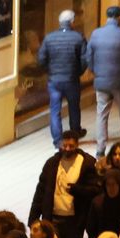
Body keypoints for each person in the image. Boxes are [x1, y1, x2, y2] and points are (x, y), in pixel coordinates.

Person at [29, 127, 101, 238]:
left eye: (71, 146)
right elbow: (41, 192)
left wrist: (77, 190)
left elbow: (95, 189)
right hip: (53, 219)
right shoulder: (51, 164)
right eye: (65, 146)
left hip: (74, 221)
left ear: (77, 146)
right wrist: (34, 218)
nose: (67, 149)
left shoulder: (86, 164)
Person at [86, 6, 120, 156]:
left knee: (101, 114)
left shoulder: (96, 34)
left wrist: (96, 72)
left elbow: (88, 56)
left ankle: (100, 147)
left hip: (101, 82)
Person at [38, 10, 89, 149]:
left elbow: (41, 59)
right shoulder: (78, 37)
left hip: (54, 81)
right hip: (72, 79)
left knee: (55, 110)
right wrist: (78, 72)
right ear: (72, 22)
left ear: (60, 22)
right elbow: (85, 59)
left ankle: (58, 141)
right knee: (74, 107)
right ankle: (74, 136)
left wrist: (50, 71)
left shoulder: (49, 38)